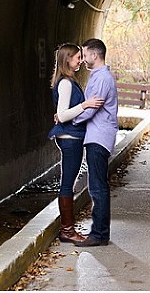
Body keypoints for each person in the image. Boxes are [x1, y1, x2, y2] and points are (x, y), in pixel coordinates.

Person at [49, 43, 103, 245]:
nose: (80, 61)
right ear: (67, 60)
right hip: (70, 139)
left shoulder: (68, 82)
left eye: (81, 57)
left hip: (72, 137)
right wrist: (86, 104)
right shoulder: (65, 83)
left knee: (68, 182)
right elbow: (63, 115)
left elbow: (62, 113)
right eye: (77, 57)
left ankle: (68, 228)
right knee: (67, 184)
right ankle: (67, 230)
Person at [72, 38, 119, 247]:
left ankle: (99, 234)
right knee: (97, 185)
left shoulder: (101, 79)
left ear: (95, 55)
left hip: (99, 137)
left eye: (84, 54)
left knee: (98, 186)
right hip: (98, 135)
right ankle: (99, 232)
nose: (82, 59)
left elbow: (92, 108)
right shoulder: (99, 76)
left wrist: (70, 119)